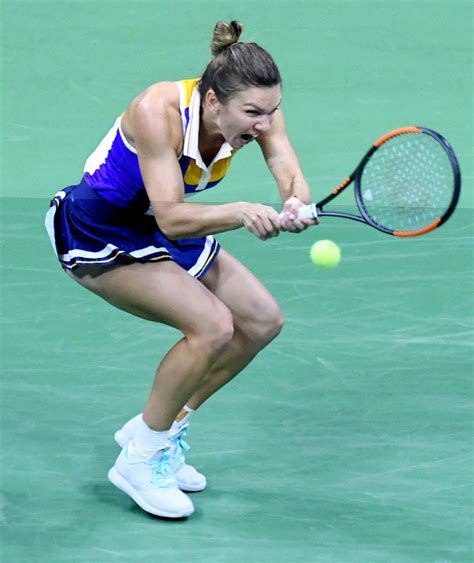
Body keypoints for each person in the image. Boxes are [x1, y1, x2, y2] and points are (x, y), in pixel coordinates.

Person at [45, 20, 316, 519]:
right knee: (211, 325)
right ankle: (140, 459)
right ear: (213, 102)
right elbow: (170, 216)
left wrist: (296, 202)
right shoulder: (158, 111)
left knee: (261, 320)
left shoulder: (260, 113)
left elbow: (288, 171)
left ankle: (162, 430)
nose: (264, 123)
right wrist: (240, 212)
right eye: (253, 112)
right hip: (102, 228)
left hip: (163, 228)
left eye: (271, 110)